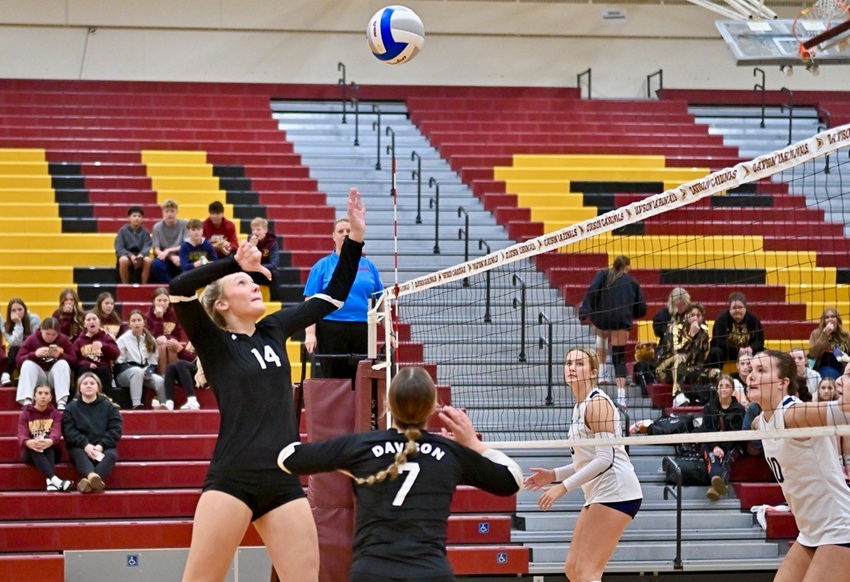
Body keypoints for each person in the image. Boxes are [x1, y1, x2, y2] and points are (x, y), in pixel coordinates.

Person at [168, 187, 366, 581]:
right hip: (232, 477)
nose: (254, 285)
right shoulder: (216, 342)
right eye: (242, 284)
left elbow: (333, 297)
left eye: (251, 281)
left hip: (283, 478)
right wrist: (232, 263)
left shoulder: (274, 328)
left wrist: (355, 239)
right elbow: (179, 289)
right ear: (222, 304)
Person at [277, 365, 522, 582]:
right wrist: (473, 444)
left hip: (371, 572)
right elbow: (512, 479)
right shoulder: (451, 453)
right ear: (433, 407)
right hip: (431, 572)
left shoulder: (361, 448)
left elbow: (288, 459)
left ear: (388, 404)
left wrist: (348, 464)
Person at [525, 348, 643, 582]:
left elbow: (605, 459)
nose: (571, 368)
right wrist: (554, 475)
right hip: (600, 492)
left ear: (593, 373)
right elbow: (588, 461)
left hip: (616, 491)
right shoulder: (580, 406)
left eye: (579, 364)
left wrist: (563, 487)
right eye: (568, 363)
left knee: (588, 572)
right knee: (573, 569)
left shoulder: (597, 404)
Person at [747, 349, 850, 579]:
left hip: (840, 527)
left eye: (761, 370)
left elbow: (844, 412)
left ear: (783, 382)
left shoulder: (794, 415)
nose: (750, 376)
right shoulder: (761, 421)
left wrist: (847, 383)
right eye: (751, 369)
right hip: (810, 531)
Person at [303, 216, 384, 383]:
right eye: (341, 231)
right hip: (331, 328)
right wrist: (310, 333)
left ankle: (361, 410)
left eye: (349, 231)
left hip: (363, 328)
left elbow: (381, 299)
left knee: (362, 378)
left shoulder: (369, 266)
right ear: (333, 236)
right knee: (334, 379)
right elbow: (310, 301)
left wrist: (389, 331)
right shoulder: (322, 266)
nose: (345, 234)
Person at [578, 255, 647, 407]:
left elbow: (592, 292)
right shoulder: (632, 282)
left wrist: (585, 311)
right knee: (619, 358)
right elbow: (641, 307)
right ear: (627, 267)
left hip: (602, 319)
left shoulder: (602, 274)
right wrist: (631, 314)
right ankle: (621, 397)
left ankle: (602, 372)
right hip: (621, 319)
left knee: (601, 334)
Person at [62, 372, 123, 494]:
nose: (88, 386)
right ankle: (92, 477)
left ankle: (89, 482)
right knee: (77, 453)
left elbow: (115, 429)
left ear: (98, 387)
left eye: (92, 383)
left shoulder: (109, 407)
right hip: (80, 447)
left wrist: (101, 445)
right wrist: (85, 445)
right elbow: (69, 431)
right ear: (79, 388)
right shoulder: (71, 408)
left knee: (111, 455)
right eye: (85, 383)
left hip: (103, 447)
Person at [655, 302, 711, 406]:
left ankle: (709, 399)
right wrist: (690, 335)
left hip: (689, 369)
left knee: (716, 373)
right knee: (680, 358)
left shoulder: (704, 332)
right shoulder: (674, 328)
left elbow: (703, 358)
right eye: (692, 315)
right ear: (686, 316)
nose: (695, 318)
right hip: (666, 369)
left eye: (698, 315)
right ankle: (677, 395)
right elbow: (677, 351)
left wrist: (703, 337)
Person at [18, 384, 72, 492]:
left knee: (45, 439)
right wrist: (29, 443)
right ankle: (54, 481)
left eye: (46, 393)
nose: (43, 396)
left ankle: (51, 481)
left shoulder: (55, 414)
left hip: (52, 450)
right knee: (37, 443)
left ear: (51, 398)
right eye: (40, 393)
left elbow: (56, 433)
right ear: (34, 396)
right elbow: (21, 435)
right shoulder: (25, 414)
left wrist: (49, 441)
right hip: (30, 453)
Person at [701, 374, 746, 501]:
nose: (724, 389)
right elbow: (707, 430)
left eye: (727, 386)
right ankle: (717, 480)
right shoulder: (709, 408)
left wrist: (721, 447)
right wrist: (715, 446)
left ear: (732, 390)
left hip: (733, 444)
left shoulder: (739, 410)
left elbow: (736, 434)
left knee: (727, 459)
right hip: (711, 444)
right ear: (717, 389)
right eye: (721, 386)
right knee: (713, 458)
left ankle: (715, 487)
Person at [16, 318, 73, 409]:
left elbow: (74, 361)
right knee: (27, 364)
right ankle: (27, 401)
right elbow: (18, 361)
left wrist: (60, 355)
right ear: (41, 329)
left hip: (55, 377)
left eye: (54, 335)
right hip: (38, 376)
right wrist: (35, 354)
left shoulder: (63, 340)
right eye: (47, 334)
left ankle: (61, 402)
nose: (50, 337)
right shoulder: (32, 339)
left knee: (62, 364)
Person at [114, 310, 166, 410]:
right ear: (129, 324)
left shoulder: (150, 339)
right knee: (137, 372)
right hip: (125, 374)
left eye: (139, 320)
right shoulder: (123, 340)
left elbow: (153, 361)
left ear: (144, 322)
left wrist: (149, 371)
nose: (136, 323)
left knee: (160, 381)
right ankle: (137, 404)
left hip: (144, 372)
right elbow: (118, 364)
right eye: (133, 320)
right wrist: (138, 370)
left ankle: (165, 405)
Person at [708, 293, 764, 371]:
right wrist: (737, 350)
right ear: (729, 309)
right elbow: (718, 340)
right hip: (727, 352)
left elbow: (760, 341)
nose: (737, 310)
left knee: (765, 354)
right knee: (715, 352)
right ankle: (714, 378)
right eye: (734, 308)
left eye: (740, 307)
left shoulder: (753, 319)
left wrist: (751, 348)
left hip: (748, 352)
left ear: (745, 308)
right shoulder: (721, 319)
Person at [73, 311, 120, 395]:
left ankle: (107, 399)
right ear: (84, 324)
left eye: (94, 319)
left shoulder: (106, 337)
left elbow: (115, 354)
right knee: (84, 369)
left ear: (99, 322)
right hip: (86, 369)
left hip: (103, 369)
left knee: (104, 370)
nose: (92, 321)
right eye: (88, 320)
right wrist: (87, 363)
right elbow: (74, 360)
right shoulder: (79, 341)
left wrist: (104, 346)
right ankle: (81, 397)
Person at [145, 287, 185, 375]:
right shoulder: (148, 316)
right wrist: (159, 318)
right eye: (159, 300)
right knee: (162, 346)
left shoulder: (174, 315)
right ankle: (163, 375)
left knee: (171, 345)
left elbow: (177, 335)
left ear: (169, 301)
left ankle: (173, 376)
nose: (162, 303)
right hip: (153, 344)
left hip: (168, 341)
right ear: (153, 301)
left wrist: (168, 339)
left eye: (165, 300)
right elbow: (154, 335)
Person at [1, 298, 41, 386]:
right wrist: (18, 324)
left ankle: (19, 374)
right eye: (14, 310)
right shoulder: (6, 325)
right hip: (16, 351)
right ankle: (6, 375)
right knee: (14, 349)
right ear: (9, 313)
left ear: (25, 309)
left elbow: (36, 340)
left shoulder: (33, 318)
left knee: (21, 350)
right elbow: (14, 343)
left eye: (20, 309)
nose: (17, 313)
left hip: (33, 349)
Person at [150, 199, 188, 283]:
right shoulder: (157, 227)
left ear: (177, 211)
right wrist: (170, 257)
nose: (169, 214)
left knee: (189, 263)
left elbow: (186, 245)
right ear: (163, 212)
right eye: (167, 211)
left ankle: (183, 284)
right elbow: (156, 249)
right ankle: (170, 284)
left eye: (172, 211)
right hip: (164, 257)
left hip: (181, 255)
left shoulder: (184, 224)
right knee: (156, 264)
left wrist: (168, 250)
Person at [114, 205, 153, 284]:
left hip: (140, 257)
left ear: (142, 219)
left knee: (148, 260)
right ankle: (125, 284)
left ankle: (144, 285)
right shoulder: (123, 231)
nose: (137, 218)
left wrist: (140, 256)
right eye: (134, 216)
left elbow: (147, 246)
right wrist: (130, 256)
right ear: (129, 218)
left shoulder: (145, 232)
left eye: (139, 216)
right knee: (123, 260)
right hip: (127, 256)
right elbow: (119, 247)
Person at [809, 307, 850, 380]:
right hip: (824, 368)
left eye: (833, 316)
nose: (830, 319)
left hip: (844, 367)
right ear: (823, 321)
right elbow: (814, 353)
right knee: (829, 373)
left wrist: (837, 352)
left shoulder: (846, 335)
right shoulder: (816, 334)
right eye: (827, 317)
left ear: (838, 319)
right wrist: (825, 334)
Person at [249, 216, 282, 302]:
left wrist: (259, 267)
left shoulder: (272, 243)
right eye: (253, 230)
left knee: (274, 274)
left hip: (265, 272)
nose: (255, 232)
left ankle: (276, 303)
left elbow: (274, 264)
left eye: (258, 229)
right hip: (253, 272)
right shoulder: (250, 242)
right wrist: (251, 247)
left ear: (265, 230)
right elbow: (245, 261)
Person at [162, 341, 201, 411]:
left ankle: (192, 400)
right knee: (171, 367)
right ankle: (169, 403)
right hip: (192, 373)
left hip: (204, 374)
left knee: (180, 364)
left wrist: (181, 350)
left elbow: (199, 360)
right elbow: (187, 359)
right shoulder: (192, 340)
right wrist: (179, 351)